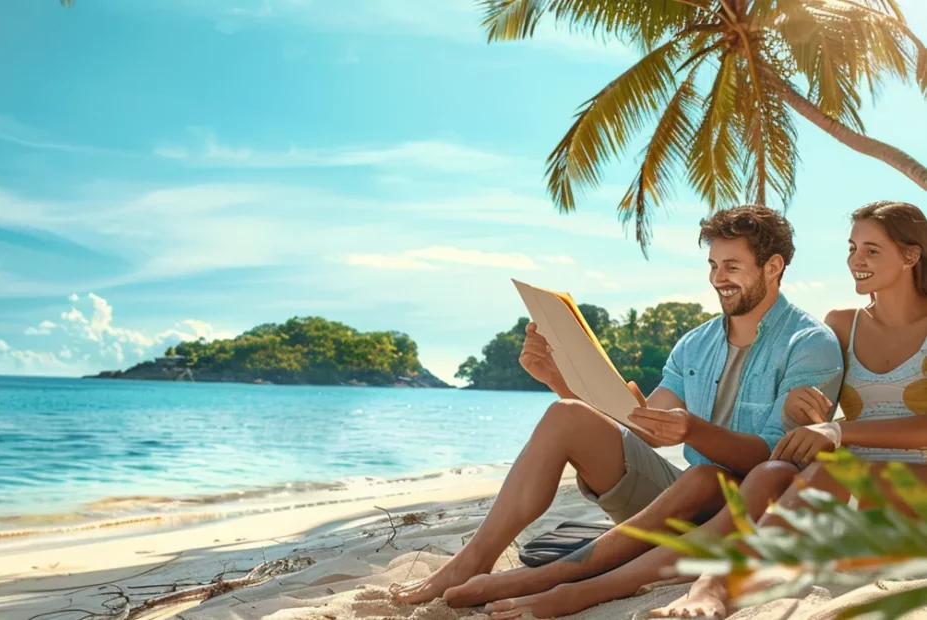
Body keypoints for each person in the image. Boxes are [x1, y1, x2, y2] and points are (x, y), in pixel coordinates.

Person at [391, 205, 844, 607]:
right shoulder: (696, 343)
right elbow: (645, 423)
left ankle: (556, 578)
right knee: (567, 415)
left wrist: (690, 431)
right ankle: (473, 560)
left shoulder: (809, 344)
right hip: (679, 502)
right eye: (712, 264)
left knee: (710, 476)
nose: (717, 278)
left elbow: (775, 458)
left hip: (755, 508)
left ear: (773, 267)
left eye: (732, 265)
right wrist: (557, 378)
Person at [643, 200, 927, 619]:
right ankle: (703, 576)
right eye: (851, 248)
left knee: (821, 471)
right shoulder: (842, 325)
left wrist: (838, 433)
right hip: (850, 488)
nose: (855, 261)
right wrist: (804, 410)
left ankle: (715, 586)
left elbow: (846, 431)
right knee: (780, 473)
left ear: (911, 255)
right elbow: (824, 411)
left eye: (871, 250)